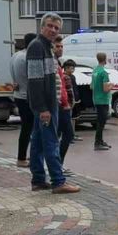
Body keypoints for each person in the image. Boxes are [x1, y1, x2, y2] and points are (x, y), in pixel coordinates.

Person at [26, 12, 79, 194]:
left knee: (39, 141)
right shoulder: (37, 46)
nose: (53, 30)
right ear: (42, 27)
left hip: (49, 104)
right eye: (50, 26)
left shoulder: (47, 47)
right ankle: (58, 181)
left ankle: (38, 180)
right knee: (51, 142)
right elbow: (35, 80)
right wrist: (43, 108)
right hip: (46, 106)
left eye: (56, 28)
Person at [11, 33, 37, 167]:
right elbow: (33, 78)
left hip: (18, 95)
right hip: (28, 97)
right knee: (29, 129)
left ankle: (23, 156)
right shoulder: (28, 57)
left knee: (26, 128)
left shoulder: (15, 55)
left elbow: (13, 75)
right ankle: (22, 158)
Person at [53, 37, 75, 176]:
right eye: (57, 46)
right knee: (67, 134)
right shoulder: (54, 64)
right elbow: (59, 89)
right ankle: (57, 165)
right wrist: (65, 104)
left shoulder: (58, 63)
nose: (60, 48)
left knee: (58, 135)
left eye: (62, 46)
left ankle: (57, 165)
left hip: (62, 105)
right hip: (60, 106)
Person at [91, 52, 112, 151]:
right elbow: (105, 89)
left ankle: (100, 140)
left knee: (100, 121)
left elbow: (91, 86)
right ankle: (97, 142)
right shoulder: (104, 72)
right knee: (101, 122)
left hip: (96, 99)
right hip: (103, 100)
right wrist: (111, 85)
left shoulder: (94, 71)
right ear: (105, 59)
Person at [63, 59, 81, 145]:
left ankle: (72, 134)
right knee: (68, 120)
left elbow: (75, 88)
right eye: (71, 68)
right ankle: (68, 137)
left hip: (74, 101)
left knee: (73, 119)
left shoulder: (73, 77)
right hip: (68, 101)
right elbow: (67, 90)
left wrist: (76, 99)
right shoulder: (64, 77)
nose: (72, 70)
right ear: (66, 68)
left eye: (73, 68)